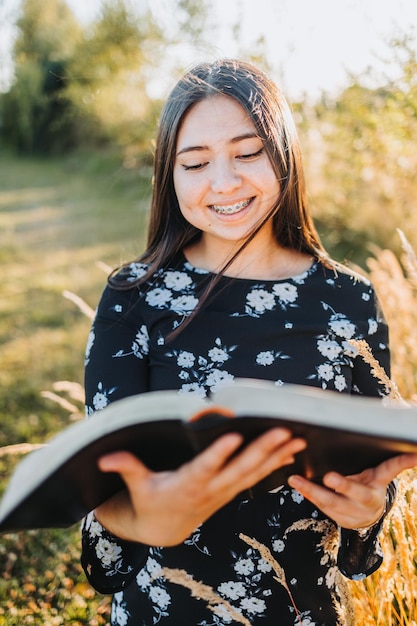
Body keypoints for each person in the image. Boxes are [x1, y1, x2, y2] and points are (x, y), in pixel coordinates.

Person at [81, 58, 417, 626]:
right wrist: (145, 521)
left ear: (283, 152)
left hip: (303, 611)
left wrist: (369, 511)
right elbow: (106, 501)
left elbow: (370, 487)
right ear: (171, 175)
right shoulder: (133, 298)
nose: (223, 181)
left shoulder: (349, 299)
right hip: (164, 610)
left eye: (248, 152)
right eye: (195, 162)